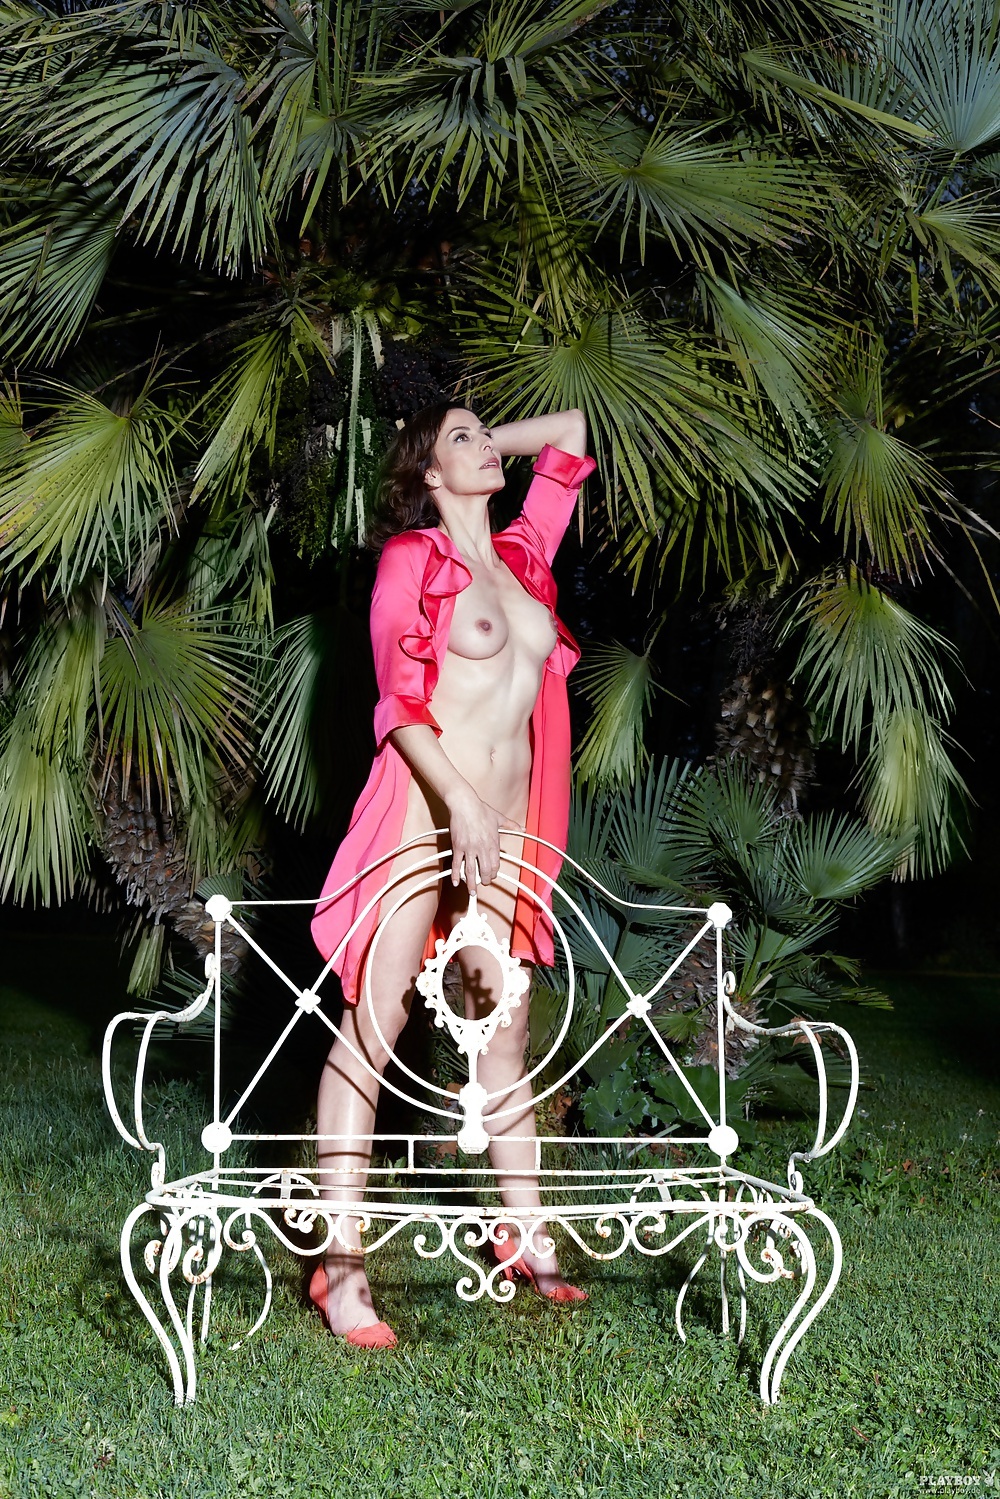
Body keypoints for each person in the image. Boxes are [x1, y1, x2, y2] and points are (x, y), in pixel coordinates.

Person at [309, 403, 596, 1346]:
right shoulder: (410, 559)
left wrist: (476, 441)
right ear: (428, 474)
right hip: (426, 819)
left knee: (502, 1040)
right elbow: (398, 703)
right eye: (460, 439)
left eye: (483, 433)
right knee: (375, 1026)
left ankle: (526, 1236)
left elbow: (571, 429)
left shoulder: (523, 557)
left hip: (507, 832)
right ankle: (341, 1265)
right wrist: (460, 803)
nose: (483, 446)